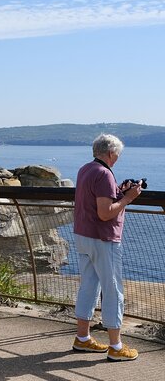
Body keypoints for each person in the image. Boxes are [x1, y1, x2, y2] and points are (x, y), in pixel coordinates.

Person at [71, 134, 142, 361]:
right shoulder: (103, 173)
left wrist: (118, 192)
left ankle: (82, 338)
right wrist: (128, 198)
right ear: (111, 153)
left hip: (84, 235)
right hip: (103, 239)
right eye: (118, 154)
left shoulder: (85, 169)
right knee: (113, 291)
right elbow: (104, 213)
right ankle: (116, 346)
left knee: (89, 286)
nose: (118, 158)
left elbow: (97, 202)